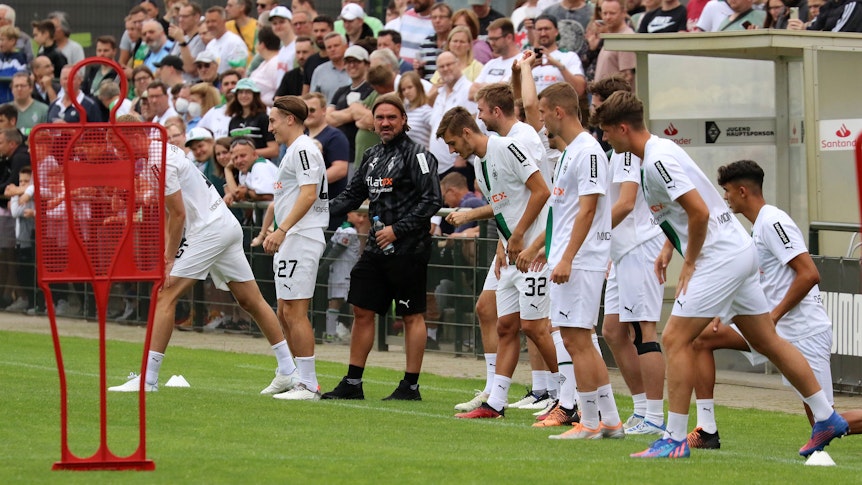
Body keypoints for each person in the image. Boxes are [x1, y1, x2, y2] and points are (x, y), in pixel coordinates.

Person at [592, 90, 849, 458]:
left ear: (621, 128)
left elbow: (698, 212)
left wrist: (691, 261)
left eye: (605, 132)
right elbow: (687, 212)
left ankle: (675, 438)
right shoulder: (661, 152)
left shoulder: (655, 161)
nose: (605, 139)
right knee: (767, 340)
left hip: (719, 257)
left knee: (677, 337)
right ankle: (825, 416)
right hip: (737, 251)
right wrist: (671, 249)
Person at [108, 112, 303, 395]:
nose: (118, 149)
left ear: (135, 136)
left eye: (120, 142)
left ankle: (148, 380)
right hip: (224, 225)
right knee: (251, 300)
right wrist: (167, 253)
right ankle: (287, 371)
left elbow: (177, 214)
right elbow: (170, 211)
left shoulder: (158, 158)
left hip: (210, 230)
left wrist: (168, 258)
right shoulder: (159, 153)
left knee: (165, 294)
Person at [687, 160, 862, 449]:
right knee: (702, 338)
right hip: (772, 330)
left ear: (742, 191)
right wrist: (724, 313)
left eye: (727, 191)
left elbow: (809, 274)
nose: (725, 198)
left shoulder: (773, 221)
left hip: (804, 332)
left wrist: (773, 317)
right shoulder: (757, 228)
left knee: (825, 421)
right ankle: (707, 431)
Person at [436, 107, 558, 420]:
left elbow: (541, 190)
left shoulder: (506, 147)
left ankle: (568, 397)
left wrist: (518, 237)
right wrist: (501, 242)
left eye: (452, 143)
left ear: (466, 132)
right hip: (512, 253)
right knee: (505, 326)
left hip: (534, 253)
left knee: (536, 328)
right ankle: (496, 404)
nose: (452, 151)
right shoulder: (479, 163)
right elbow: (504, 203)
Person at [322, 93, 442, 401]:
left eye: (391, 117)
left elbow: (432, 200)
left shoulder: (418, 155)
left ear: (404, 120)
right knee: (362, 309)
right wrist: (316, 211)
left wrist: (396, 231)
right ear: (373, 122)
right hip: (375, 249)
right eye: (380, 117)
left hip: (409, 250)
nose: (385, 122)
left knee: (411, 315)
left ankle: (410, 386)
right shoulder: (372, 155)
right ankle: (352, 382)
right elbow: (352, 194)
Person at [588, 75, 666, 435]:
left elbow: (626, 202)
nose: (593, 113)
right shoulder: (616, 150)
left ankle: (655, 417)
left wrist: (589, 232)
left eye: (597, 105)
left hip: (639, 247)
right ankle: (640, 410)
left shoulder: (628, 150)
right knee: (613, 331)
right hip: (621, 250)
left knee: (644, 331)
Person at [246, 96, 329, 400]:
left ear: (290, 119)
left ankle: (308, 384)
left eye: (273, 121)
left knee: (295, 310)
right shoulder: (292, 150)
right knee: (284, 309)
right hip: (291, 236)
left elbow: (308, 195)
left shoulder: (304, 149)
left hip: (302, 235)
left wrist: (282, 229)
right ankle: (295, 377)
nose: (270, 128)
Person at [321, 207, 369, 342]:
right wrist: (323, 268)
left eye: (364, 217)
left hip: (339, 271)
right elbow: (336, 250)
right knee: (345, 303)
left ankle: (332, 332)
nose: (361, 219)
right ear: (348, 213)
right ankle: (350, 335)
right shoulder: (349, 231)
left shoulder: (341, 229)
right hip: (346, 272)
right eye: (358, 215)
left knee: (336, 302)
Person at [531, 15, 587, 97]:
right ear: (534, 32)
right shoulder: (526, 57)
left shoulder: (569, 56)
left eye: (547, 29)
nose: (543, 33)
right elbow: (512, 89)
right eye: (539, 30)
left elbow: (580, 90)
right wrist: (528, 68)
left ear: (556, 31)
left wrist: (558, 65)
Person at [226, 78, 278, 160]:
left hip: (259, 166)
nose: (243, 95)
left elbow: (274, 150)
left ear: (254, 95)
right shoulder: (233, 121)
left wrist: (248, 155)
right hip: (239, 170)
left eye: (247, 92)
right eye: (240, 92)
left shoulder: (263, 118)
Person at [6, 165, 33, 312]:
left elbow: (15, 212)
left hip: (29, 240)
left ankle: (33, 302)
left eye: (26, 182)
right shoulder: (24, 194)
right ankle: (26, 300)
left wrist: (14, 194)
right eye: (20, 181)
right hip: (20, 240)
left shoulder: (30, 196)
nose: (22, 184)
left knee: (28, 272)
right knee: (20, 272)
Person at [203, 6, 249, 74]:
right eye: (207, 22)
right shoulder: (210, 45)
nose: (210, 25)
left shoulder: (234, 42)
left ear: (224, 21)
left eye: (213, 21)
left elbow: (240, 71)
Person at [308, 32, 350, 106]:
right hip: (328, 115)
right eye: (329, 47)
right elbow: (313, 98)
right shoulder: (319, 71)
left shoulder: (355, 68)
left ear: (346, 46)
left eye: (336, 46)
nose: (332, 49)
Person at [397, 72, 433, 149]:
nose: (406, 92)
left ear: (418, 87)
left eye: (410, 87)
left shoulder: (427, 111)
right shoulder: (404, 110)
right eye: (403, 89)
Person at [10, 73, 48, 137]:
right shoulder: (3, 109)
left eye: (23, 86)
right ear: (12, 89)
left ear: (31, 88)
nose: (19, 89)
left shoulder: (44, 109)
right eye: (16, 86)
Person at [0, 25, 27, 104]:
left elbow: (17, 75)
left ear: (12, 41)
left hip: (10, 101)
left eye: (2, 40)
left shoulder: (19, 58)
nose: (0, 43)